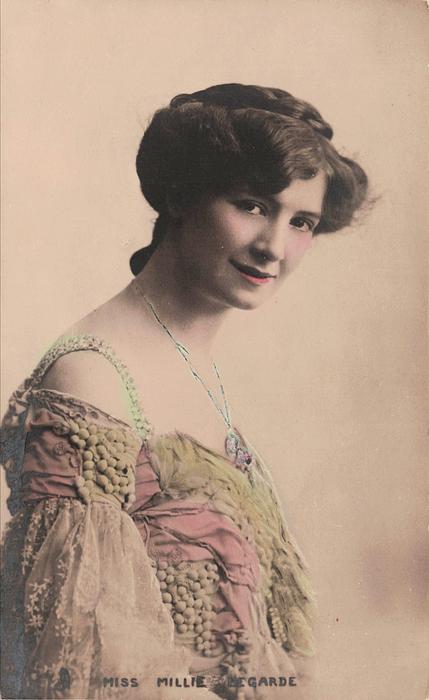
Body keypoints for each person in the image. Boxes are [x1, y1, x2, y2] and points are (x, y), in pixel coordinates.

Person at [0, 83, 368, 700]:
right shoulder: (92, 380)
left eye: (300, 222)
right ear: (180, 194)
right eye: (252, 205)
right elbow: (79, 673)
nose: (274, 248)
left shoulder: (196, 364)